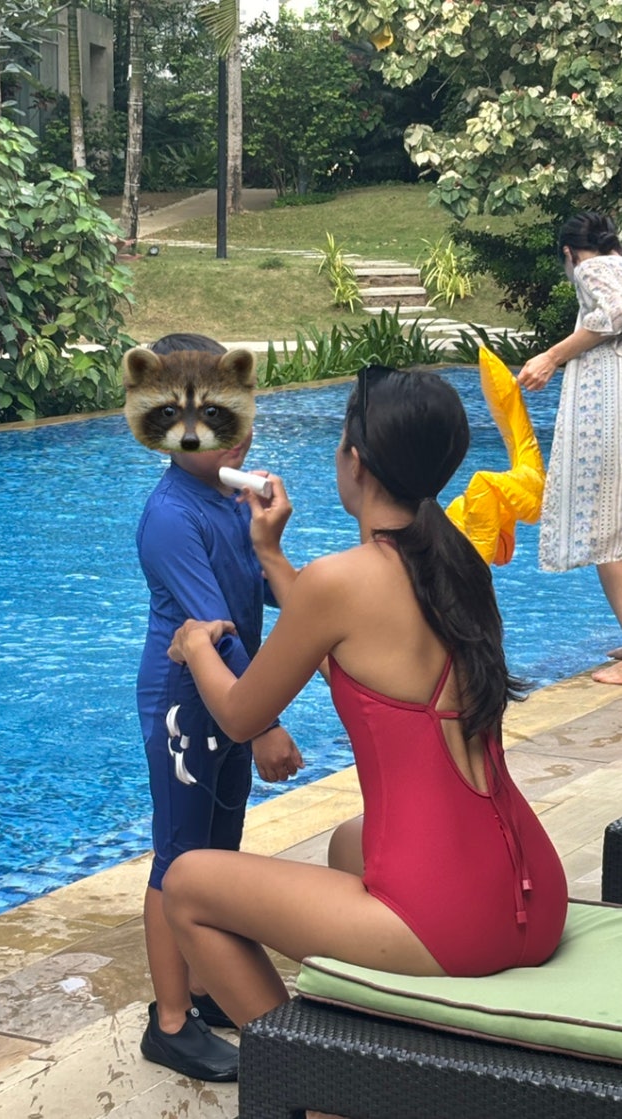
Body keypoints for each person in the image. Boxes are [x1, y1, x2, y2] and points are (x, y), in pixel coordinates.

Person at [160, 365, 568, 1031]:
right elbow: (344, 651)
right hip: (534, 893)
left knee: (188, 883)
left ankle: (304, 1074)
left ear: (355, 460)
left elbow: (238, 716)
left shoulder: (340, 581)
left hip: (453, 921)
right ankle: (379, 1037)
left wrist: (195, 644)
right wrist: (271, 555)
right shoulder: (456, 563)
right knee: (351, 844)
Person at [133, 332, 304, 1081]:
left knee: (220, 848)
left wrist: (273, 539)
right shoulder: (172, 516)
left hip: (231, 698)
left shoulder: (233, 500)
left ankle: (205, 984)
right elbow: (215, 628)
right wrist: (264, 724)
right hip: (187, 701)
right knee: (179, 856)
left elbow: (264, 591)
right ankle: (170, 1022)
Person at [518, 212, 622, 684]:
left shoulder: (592, 268)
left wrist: (551, 355)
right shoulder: (619, 265)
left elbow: (613, 313)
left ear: (568, 252)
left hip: (608, 415)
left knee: (607, 533)